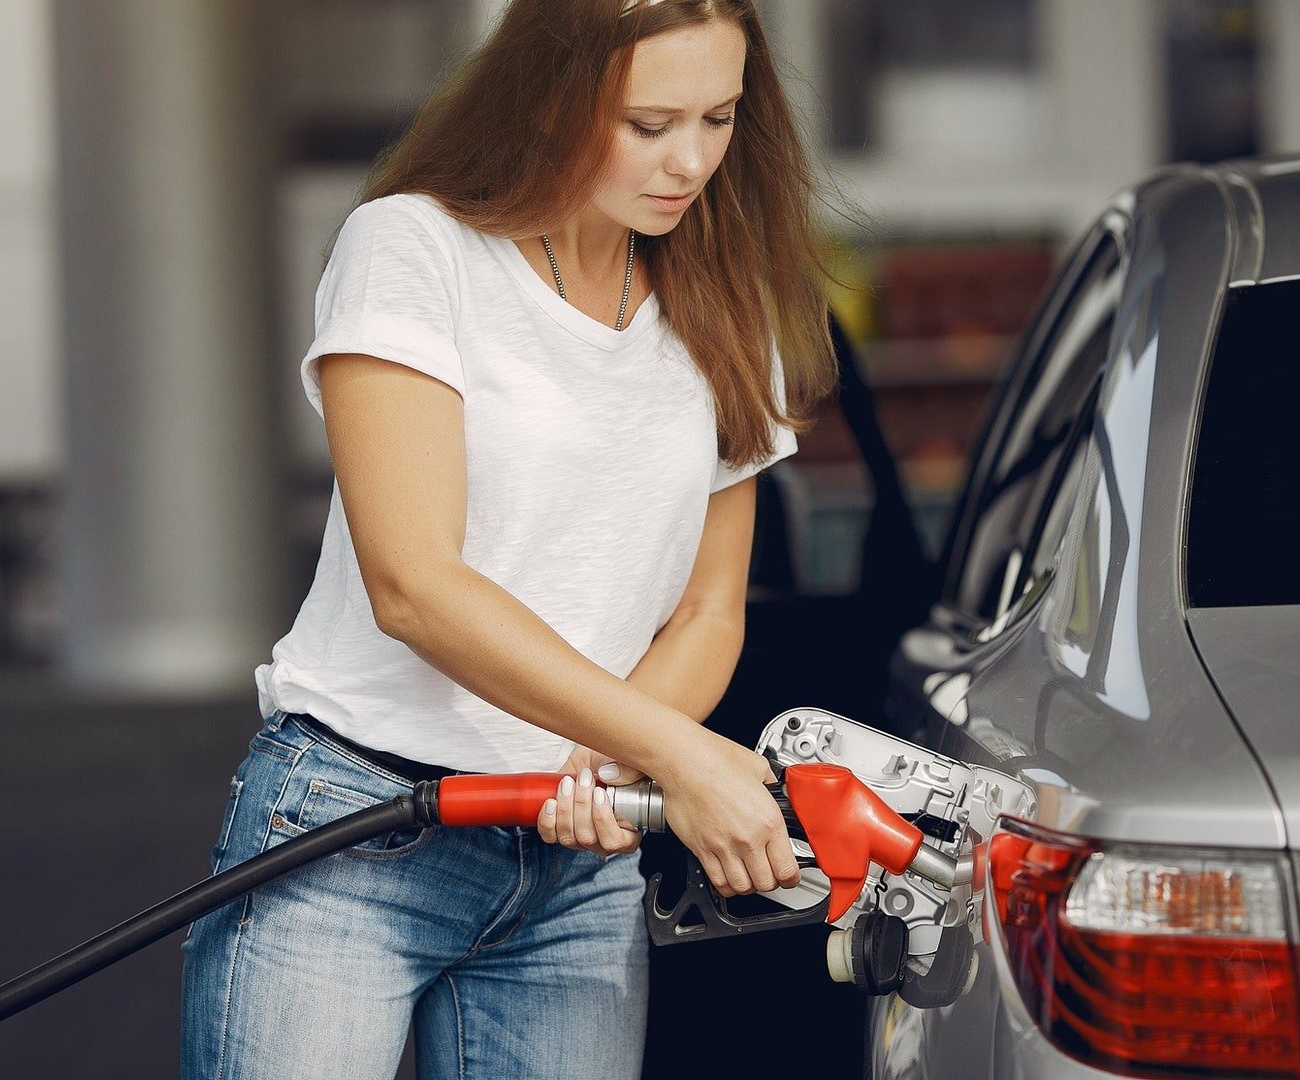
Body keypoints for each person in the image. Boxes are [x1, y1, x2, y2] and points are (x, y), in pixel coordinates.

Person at [179, 1, 841, 1077]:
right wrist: (678, 753)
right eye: (648, 123)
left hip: (576, 868)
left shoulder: (727, 304)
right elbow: (415, 584)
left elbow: (709, 608)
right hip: (361, 825)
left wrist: (621, 754)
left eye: (718, 118)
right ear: (549, 96)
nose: (690, 161)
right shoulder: (413, 248)